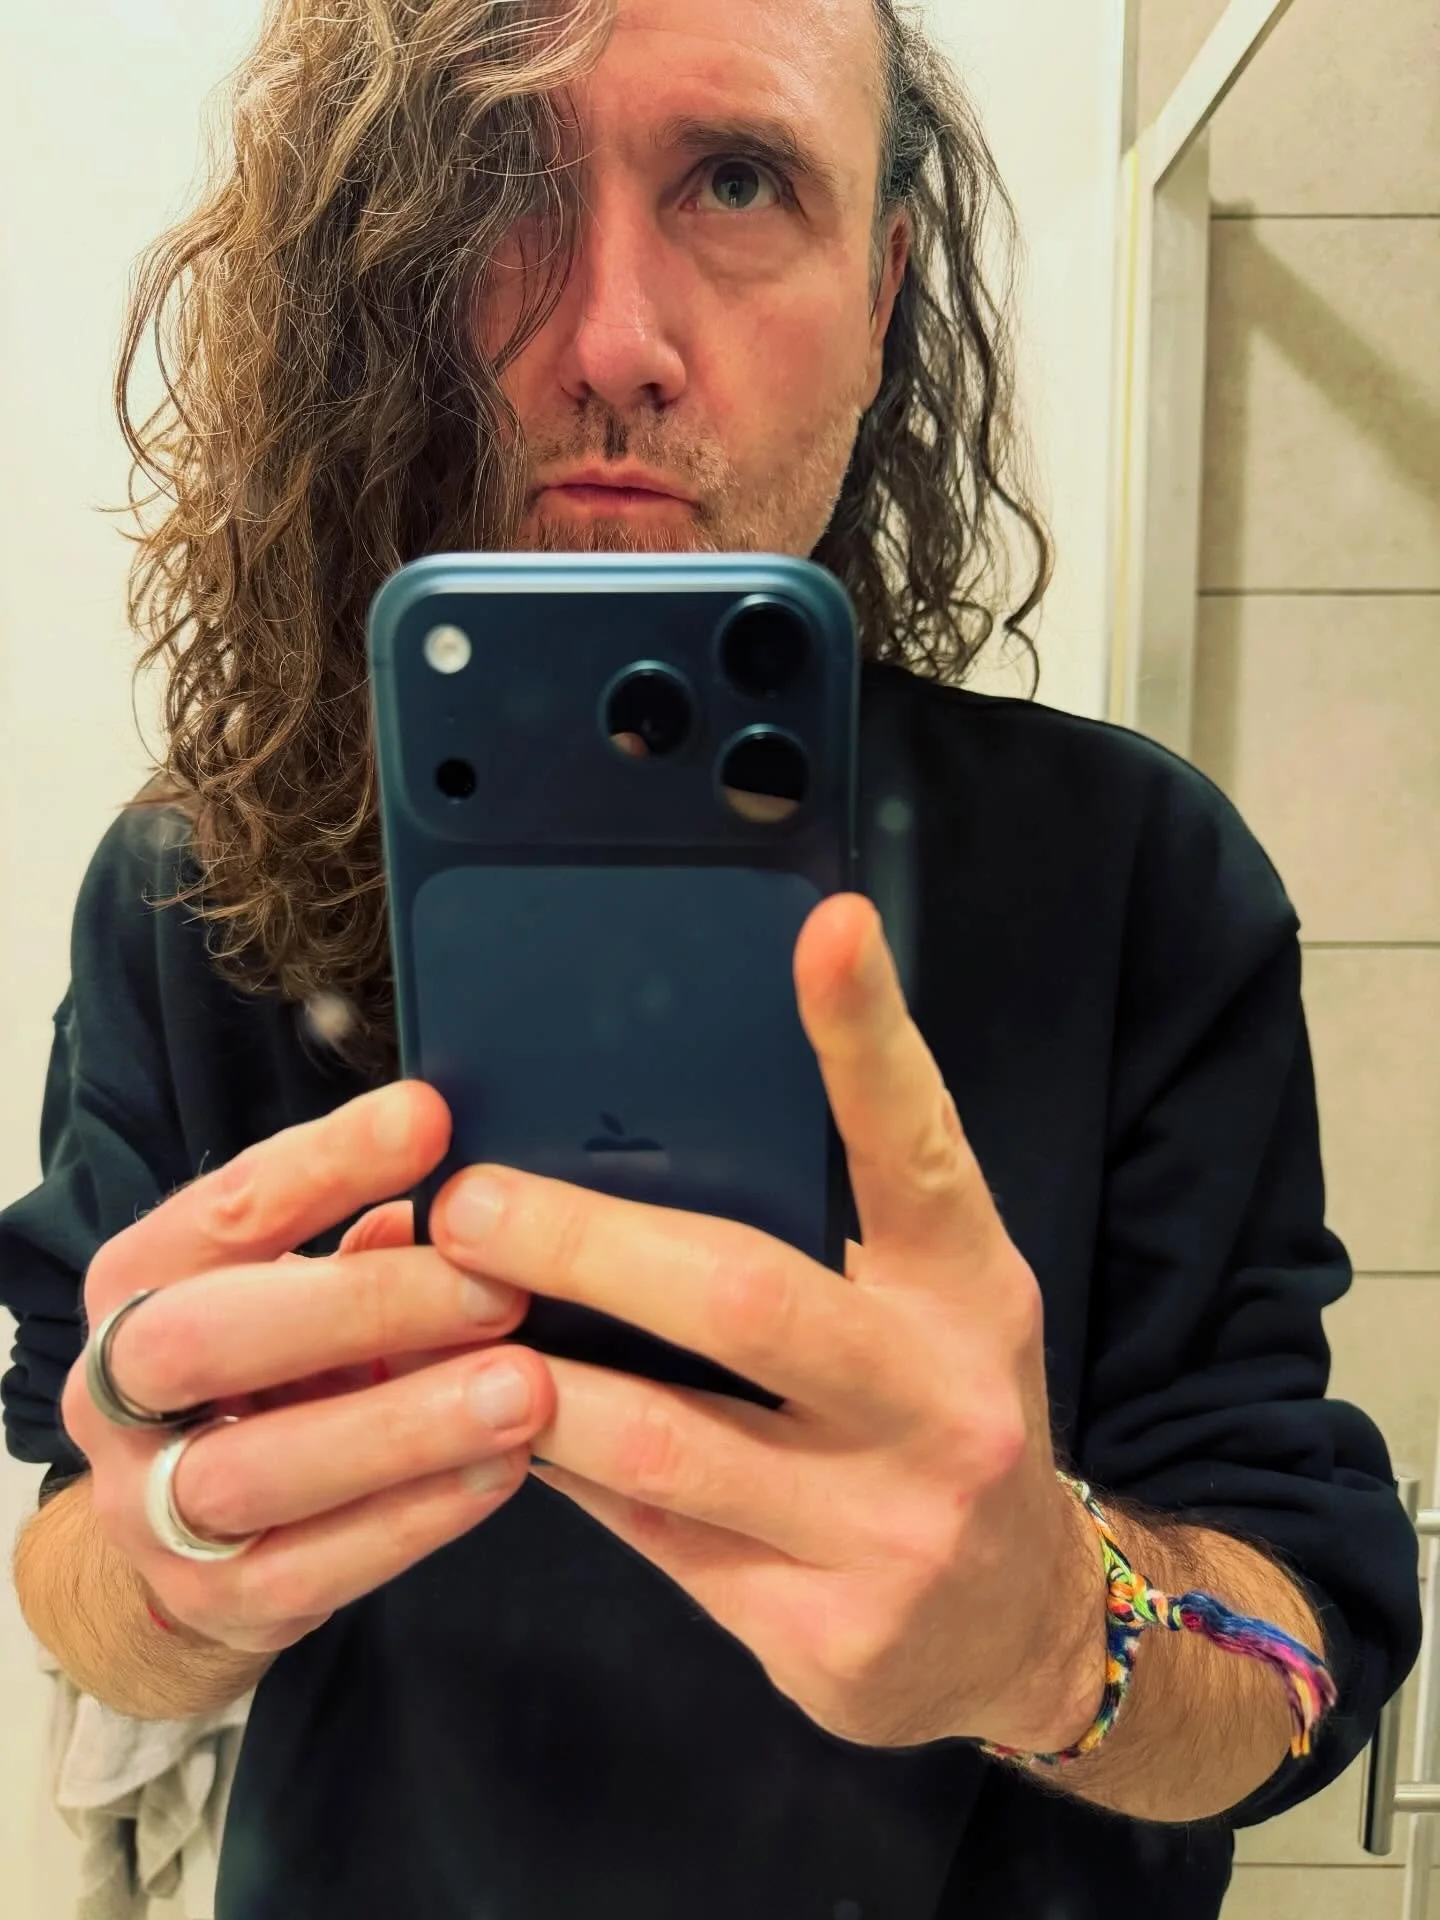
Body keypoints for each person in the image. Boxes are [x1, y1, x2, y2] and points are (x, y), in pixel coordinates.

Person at [0, 0, 1421, 1915]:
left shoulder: (1138, 874)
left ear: (881, 292)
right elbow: (74, 1547)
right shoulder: (196, 889)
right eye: (495, 181)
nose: (616, 344)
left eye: (738, 180)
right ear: (377, 274)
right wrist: (169, 1563)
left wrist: (1048, 1635)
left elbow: (1301, 1644)